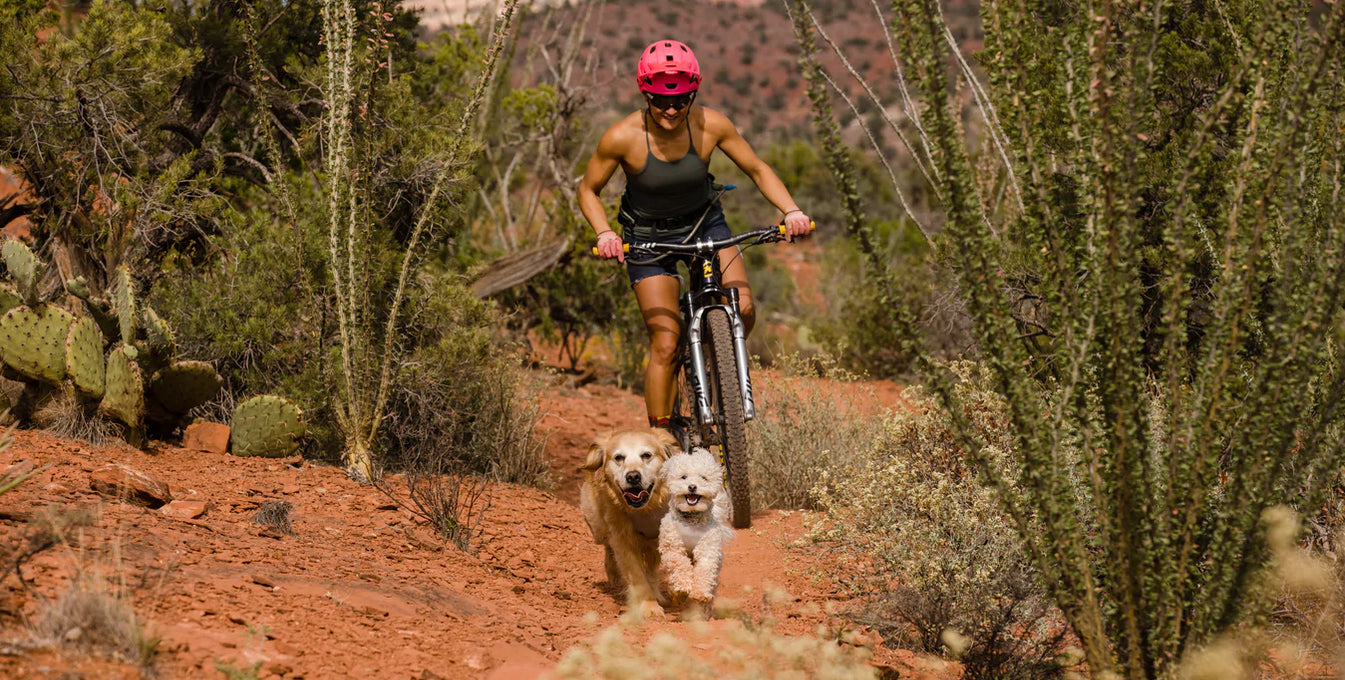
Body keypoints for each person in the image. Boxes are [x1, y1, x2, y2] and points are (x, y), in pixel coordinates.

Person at [578, 39, 812, 434]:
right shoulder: (622, 137)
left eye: (681, 101)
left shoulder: (711, 125)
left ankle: (719, 359)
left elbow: (757, 168)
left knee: (743, 308)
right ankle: (664, 435)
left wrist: (791, 211)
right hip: (648, 237)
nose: (671, 110)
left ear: (693, 94)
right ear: (645, 94)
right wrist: (604, 233)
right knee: (666, 342)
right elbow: (588, 190)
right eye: (660, 101)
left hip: (705, 224)